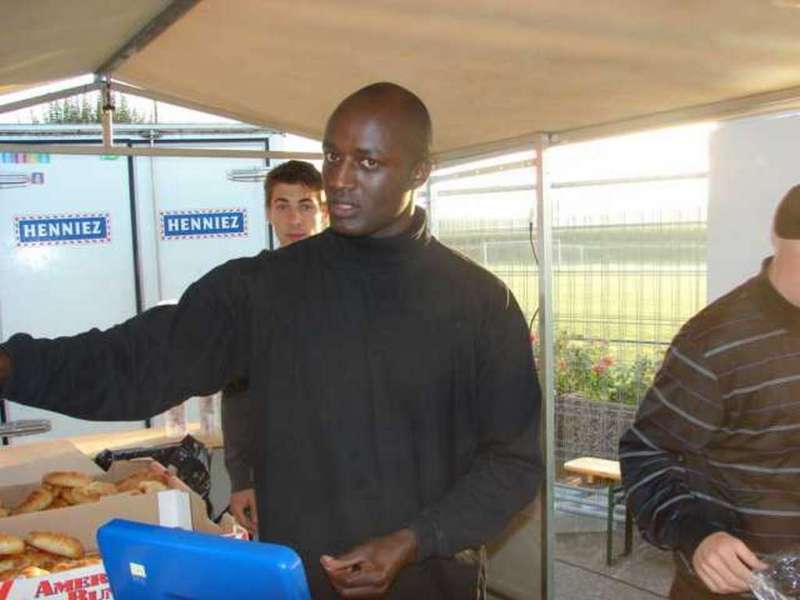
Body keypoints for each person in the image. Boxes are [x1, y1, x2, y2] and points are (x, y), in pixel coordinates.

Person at [0, 82, 542, 599]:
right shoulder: (263, 291)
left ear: (420, 171)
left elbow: (514, 463)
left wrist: (415, 539)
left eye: (369, 162)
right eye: (333, 157)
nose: (342, 179)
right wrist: (11, 366)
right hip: (299, 582)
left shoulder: (479, 304)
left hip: (432, 586)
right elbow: (135, 363)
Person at [620, 184, 800, 599]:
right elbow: (645, 454)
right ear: (782, 242)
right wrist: (697, 535)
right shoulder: (714, 344)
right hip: (734, 588)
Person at [222, 160, 327, 534]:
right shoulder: (252, 290)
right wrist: (241, 477)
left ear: (324, 211)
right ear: (268, 212)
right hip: (279, 475)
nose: (295, 219)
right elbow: (236, 392)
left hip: (348, 473)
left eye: (306, 205)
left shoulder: (353, 285)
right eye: (283, 206)